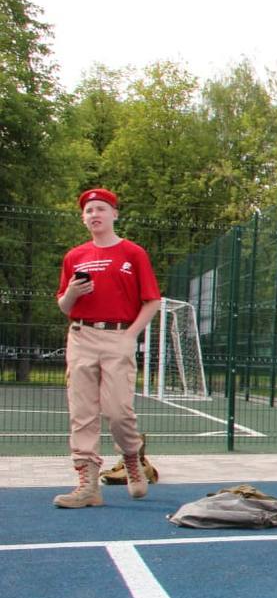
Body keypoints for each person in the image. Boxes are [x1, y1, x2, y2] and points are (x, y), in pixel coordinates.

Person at [54, 188, 162, 508]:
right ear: (83, 218)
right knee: (82, 412)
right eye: (89, 211)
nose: (94, 215)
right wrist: (72, 291)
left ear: (114, 214)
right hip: (81, 336)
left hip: (118, 337)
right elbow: (63, 305)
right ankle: (87, 485)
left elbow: (152, 300)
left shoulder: (133, 253)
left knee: (118, 411)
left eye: (101, 209)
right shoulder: (75, 256)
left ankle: (131, 457)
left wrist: (131, 335)